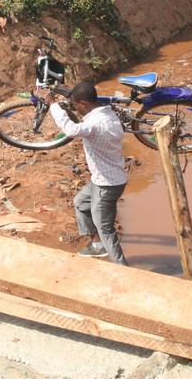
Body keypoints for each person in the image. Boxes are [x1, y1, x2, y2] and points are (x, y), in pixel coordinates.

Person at [49, 81, 128, 265]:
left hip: (106, 185)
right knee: (80, 202)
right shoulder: (109, 114)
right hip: (109, 178)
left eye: (75, 105)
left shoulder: (93, 125)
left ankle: (124, 270)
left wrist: (53, 105)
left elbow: (71, 129)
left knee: (106, 229)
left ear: (83, 104)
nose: (74, 108)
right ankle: (96, 246)